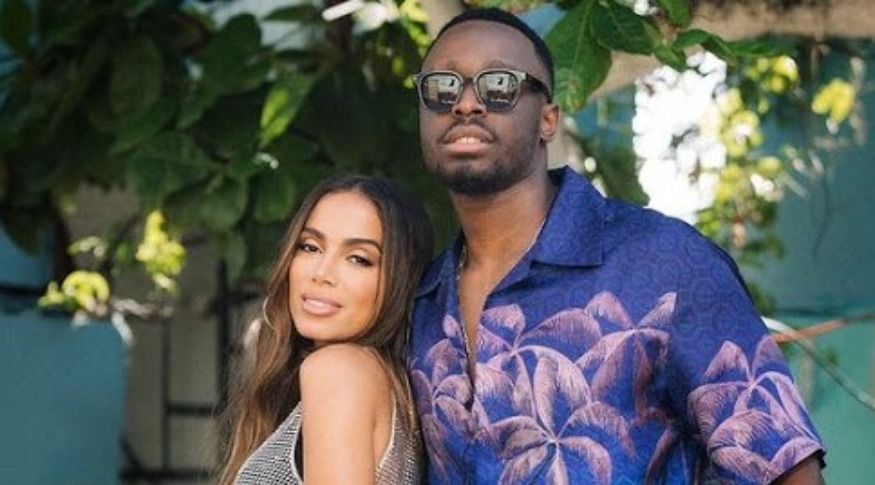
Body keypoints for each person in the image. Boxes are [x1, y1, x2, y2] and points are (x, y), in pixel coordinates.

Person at [408, 8, 826, 485]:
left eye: (498, 85)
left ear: (548, 119)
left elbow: (788, 472)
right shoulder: (420, 301)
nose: (465, 103)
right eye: (442, 87)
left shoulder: (665, 263)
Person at [218, 173, 432, 484]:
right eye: (310, 247)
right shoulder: (384, 383)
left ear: (400, 281)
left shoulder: (338, 370)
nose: (321, 273)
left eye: (358, 259)